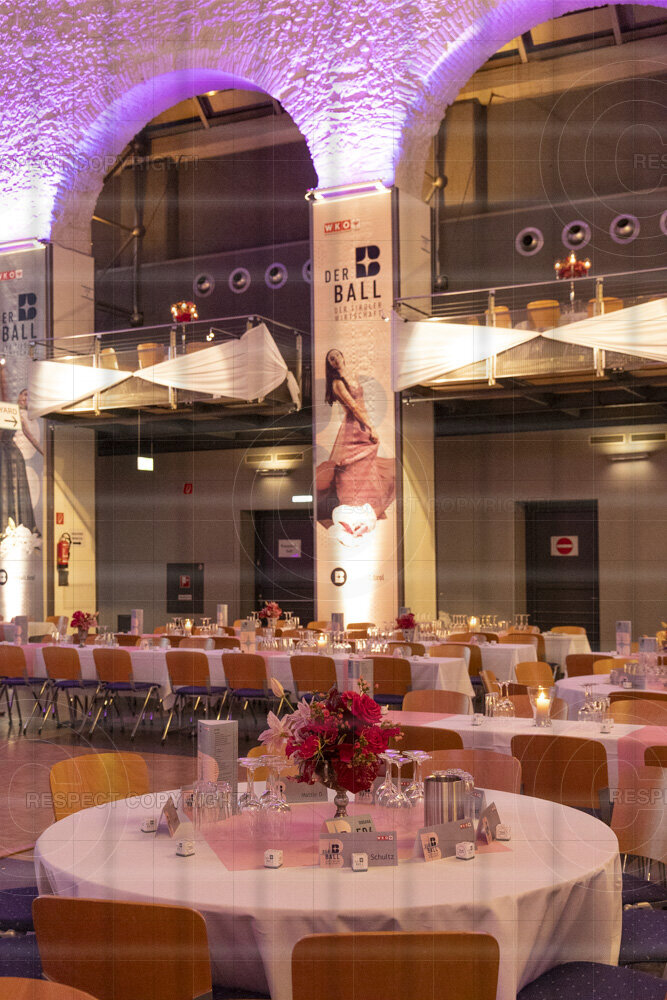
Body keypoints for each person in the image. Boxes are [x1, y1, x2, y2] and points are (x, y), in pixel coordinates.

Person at [316, 348, 394, 529]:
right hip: (354, 427)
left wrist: (368, 425)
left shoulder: (351, 377)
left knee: (366, 465)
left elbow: (361, 404)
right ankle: (354, 508)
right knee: (354, 468)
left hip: (362, 424)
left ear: (343, 357)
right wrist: (371, 426)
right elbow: (353, 407)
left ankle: (367, 507)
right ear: (329, 364)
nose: (335, 359)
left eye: (337, 355)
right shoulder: (337, 383)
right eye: (331, 358)